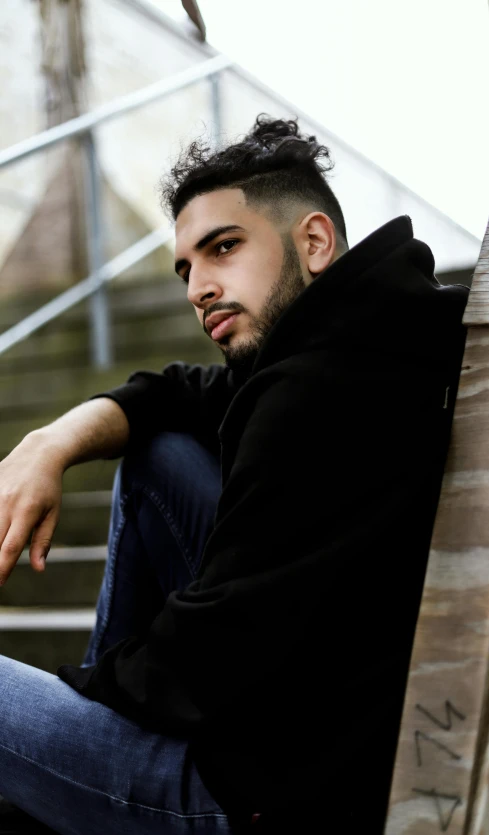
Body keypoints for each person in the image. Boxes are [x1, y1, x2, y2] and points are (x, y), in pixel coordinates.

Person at [0, 115, 469, 834]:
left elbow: (204, 652)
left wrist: (86, 689)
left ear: (312, 242)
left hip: (259, 798)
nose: (198, 287)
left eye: (223, 248)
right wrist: (51, 441)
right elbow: (176, 390)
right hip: (290, 714)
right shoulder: (353, 338)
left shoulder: (323, 394)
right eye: (187, 268)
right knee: (158, 450)